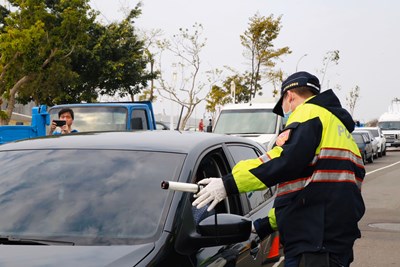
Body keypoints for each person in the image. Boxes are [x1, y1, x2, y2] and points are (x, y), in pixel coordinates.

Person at [192, 71, 365, 267]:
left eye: (283, 109)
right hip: (334, 240)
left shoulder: (309, 114)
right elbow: (306, 189)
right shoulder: (340, 130)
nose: (286, 116)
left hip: (314, 243)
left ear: (289, 96)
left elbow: (283, 161)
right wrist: (266, 224)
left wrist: (228, 183)